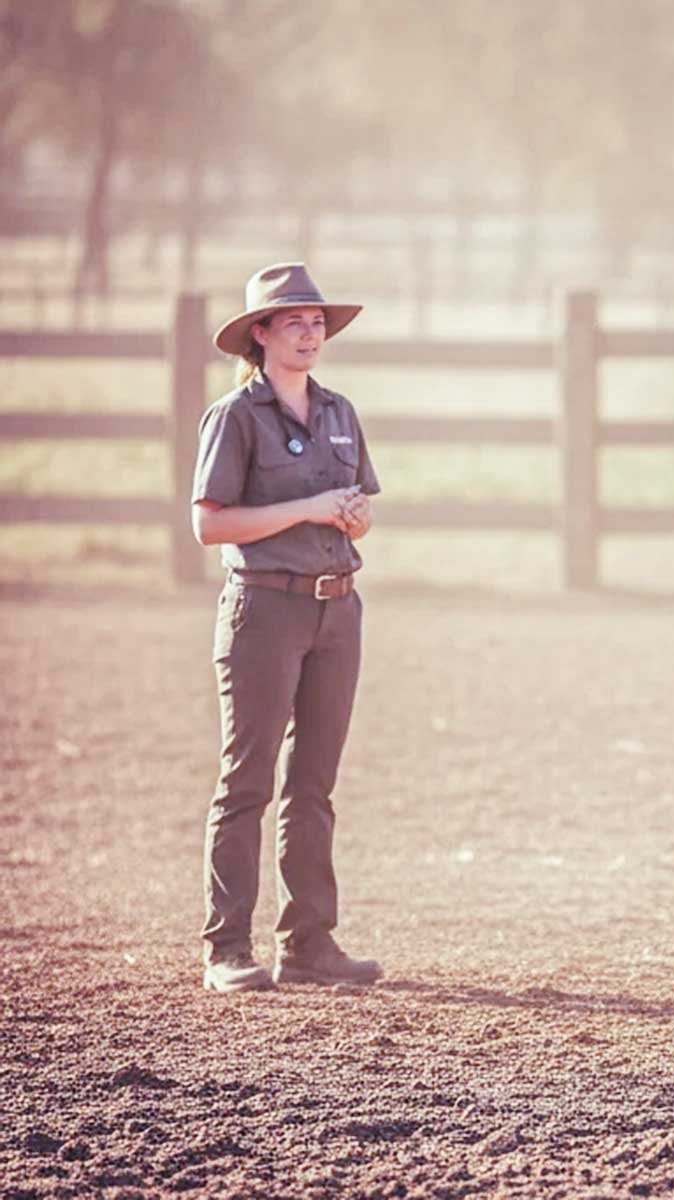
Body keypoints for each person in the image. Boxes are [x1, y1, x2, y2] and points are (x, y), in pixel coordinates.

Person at [190, 262, 383, 992]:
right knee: (246, 782)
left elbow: (360, 499)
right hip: (264, 609)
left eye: (316, 323)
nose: (310, 333)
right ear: (260, 335)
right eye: (294, 322)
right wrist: (307, 509)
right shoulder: (234, 418)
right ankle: (227, 949)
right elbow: (208, 524)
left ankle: (308, 943)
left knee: (315, 782)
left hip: (338, 608)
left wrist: (355, 513)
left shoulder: (339, 412)